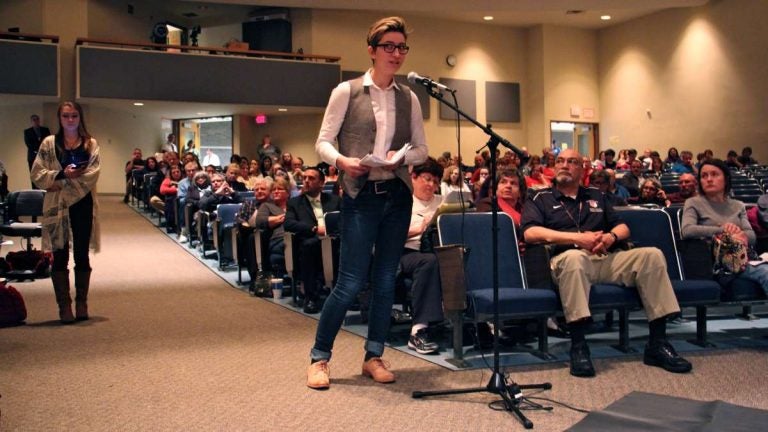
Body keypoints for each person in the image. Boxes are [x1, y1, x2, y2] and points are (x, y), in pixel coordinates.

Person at [307, 16, 428, 390]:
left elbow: (422, 149)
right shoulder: (347, 91)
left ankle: (373, 354)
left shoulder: (409, 97)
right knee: (350, 281)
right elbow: (323, 142)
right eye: (388, 47)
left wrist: (401, 158)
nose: (396, 54)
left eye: (401, 47)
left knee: (386, 279)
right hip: (360, 195)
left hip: (396, 193)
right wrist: (342, 162)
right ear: (372, 51)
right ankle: (319, 358)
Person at [520, 148, 691, 378]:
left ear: (582, 169)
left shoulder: (596, 195)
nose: (564, 165)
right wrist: (578, 239)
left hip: (603, 258)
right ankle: (579, 346)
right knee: (575, 257)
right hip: (564, 261)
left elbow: (623, 227)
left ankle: (657, 343)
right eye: (560, 161)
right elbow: (530, 233)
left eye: (571, 162)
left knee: (651, 255)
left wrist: (610, 238)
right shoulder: (540, 197)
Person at [30, 101, 101, 324]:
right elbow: (37, 172)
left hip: (82, 201)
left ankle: (81, 301)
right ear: (60, 119)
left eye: (74, 116)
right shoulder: (49, 143)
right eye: (66, 116)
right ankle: (64, 305)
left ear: (80, 118)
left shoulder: (91, 143)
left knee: (81, 253)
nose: (70, 120)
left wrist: (67, 184)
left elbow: (92, 173)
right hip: (56, 203)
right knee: (59, 254)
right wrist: (62, 175)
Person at [681, 159, 768, 292]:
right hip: (717, 263)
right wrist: (723, 230)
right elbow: (687, 230)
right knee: (765, 272)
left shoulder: (738, 205)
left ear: (726, 179)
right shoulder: (693, 203)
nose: (709, 179)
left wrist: (741, 234)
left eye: (714, 174)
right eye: (704, 176)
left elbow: (751, 236)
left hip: (742, 259)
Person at [399, 158, 445, 354]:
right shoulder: (402, 202)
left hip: (441, 250)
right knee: (429, 262)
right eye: (427, 179)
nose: (431, 185)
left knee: (461, 260)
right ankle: (418, 330)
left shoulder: (442, 202)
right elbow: (389, 234)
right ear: (414, 177)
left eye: (435, 181)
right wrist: (419, 228)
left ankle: (475, 322)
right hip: (408, 252)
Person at [284, 167, 341, 314]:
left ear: (322, 183)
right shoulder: (295, 203)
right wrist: (314, 229)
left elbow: (345, 220)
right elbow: (289, 223)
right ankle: (311, 297)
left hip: (334, 239)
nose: (306, 181)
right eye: (305, 178)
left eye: (311, 178)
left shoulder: (334, 200)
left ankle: (346, 295)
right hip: (311, 240)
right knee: (309, 247)